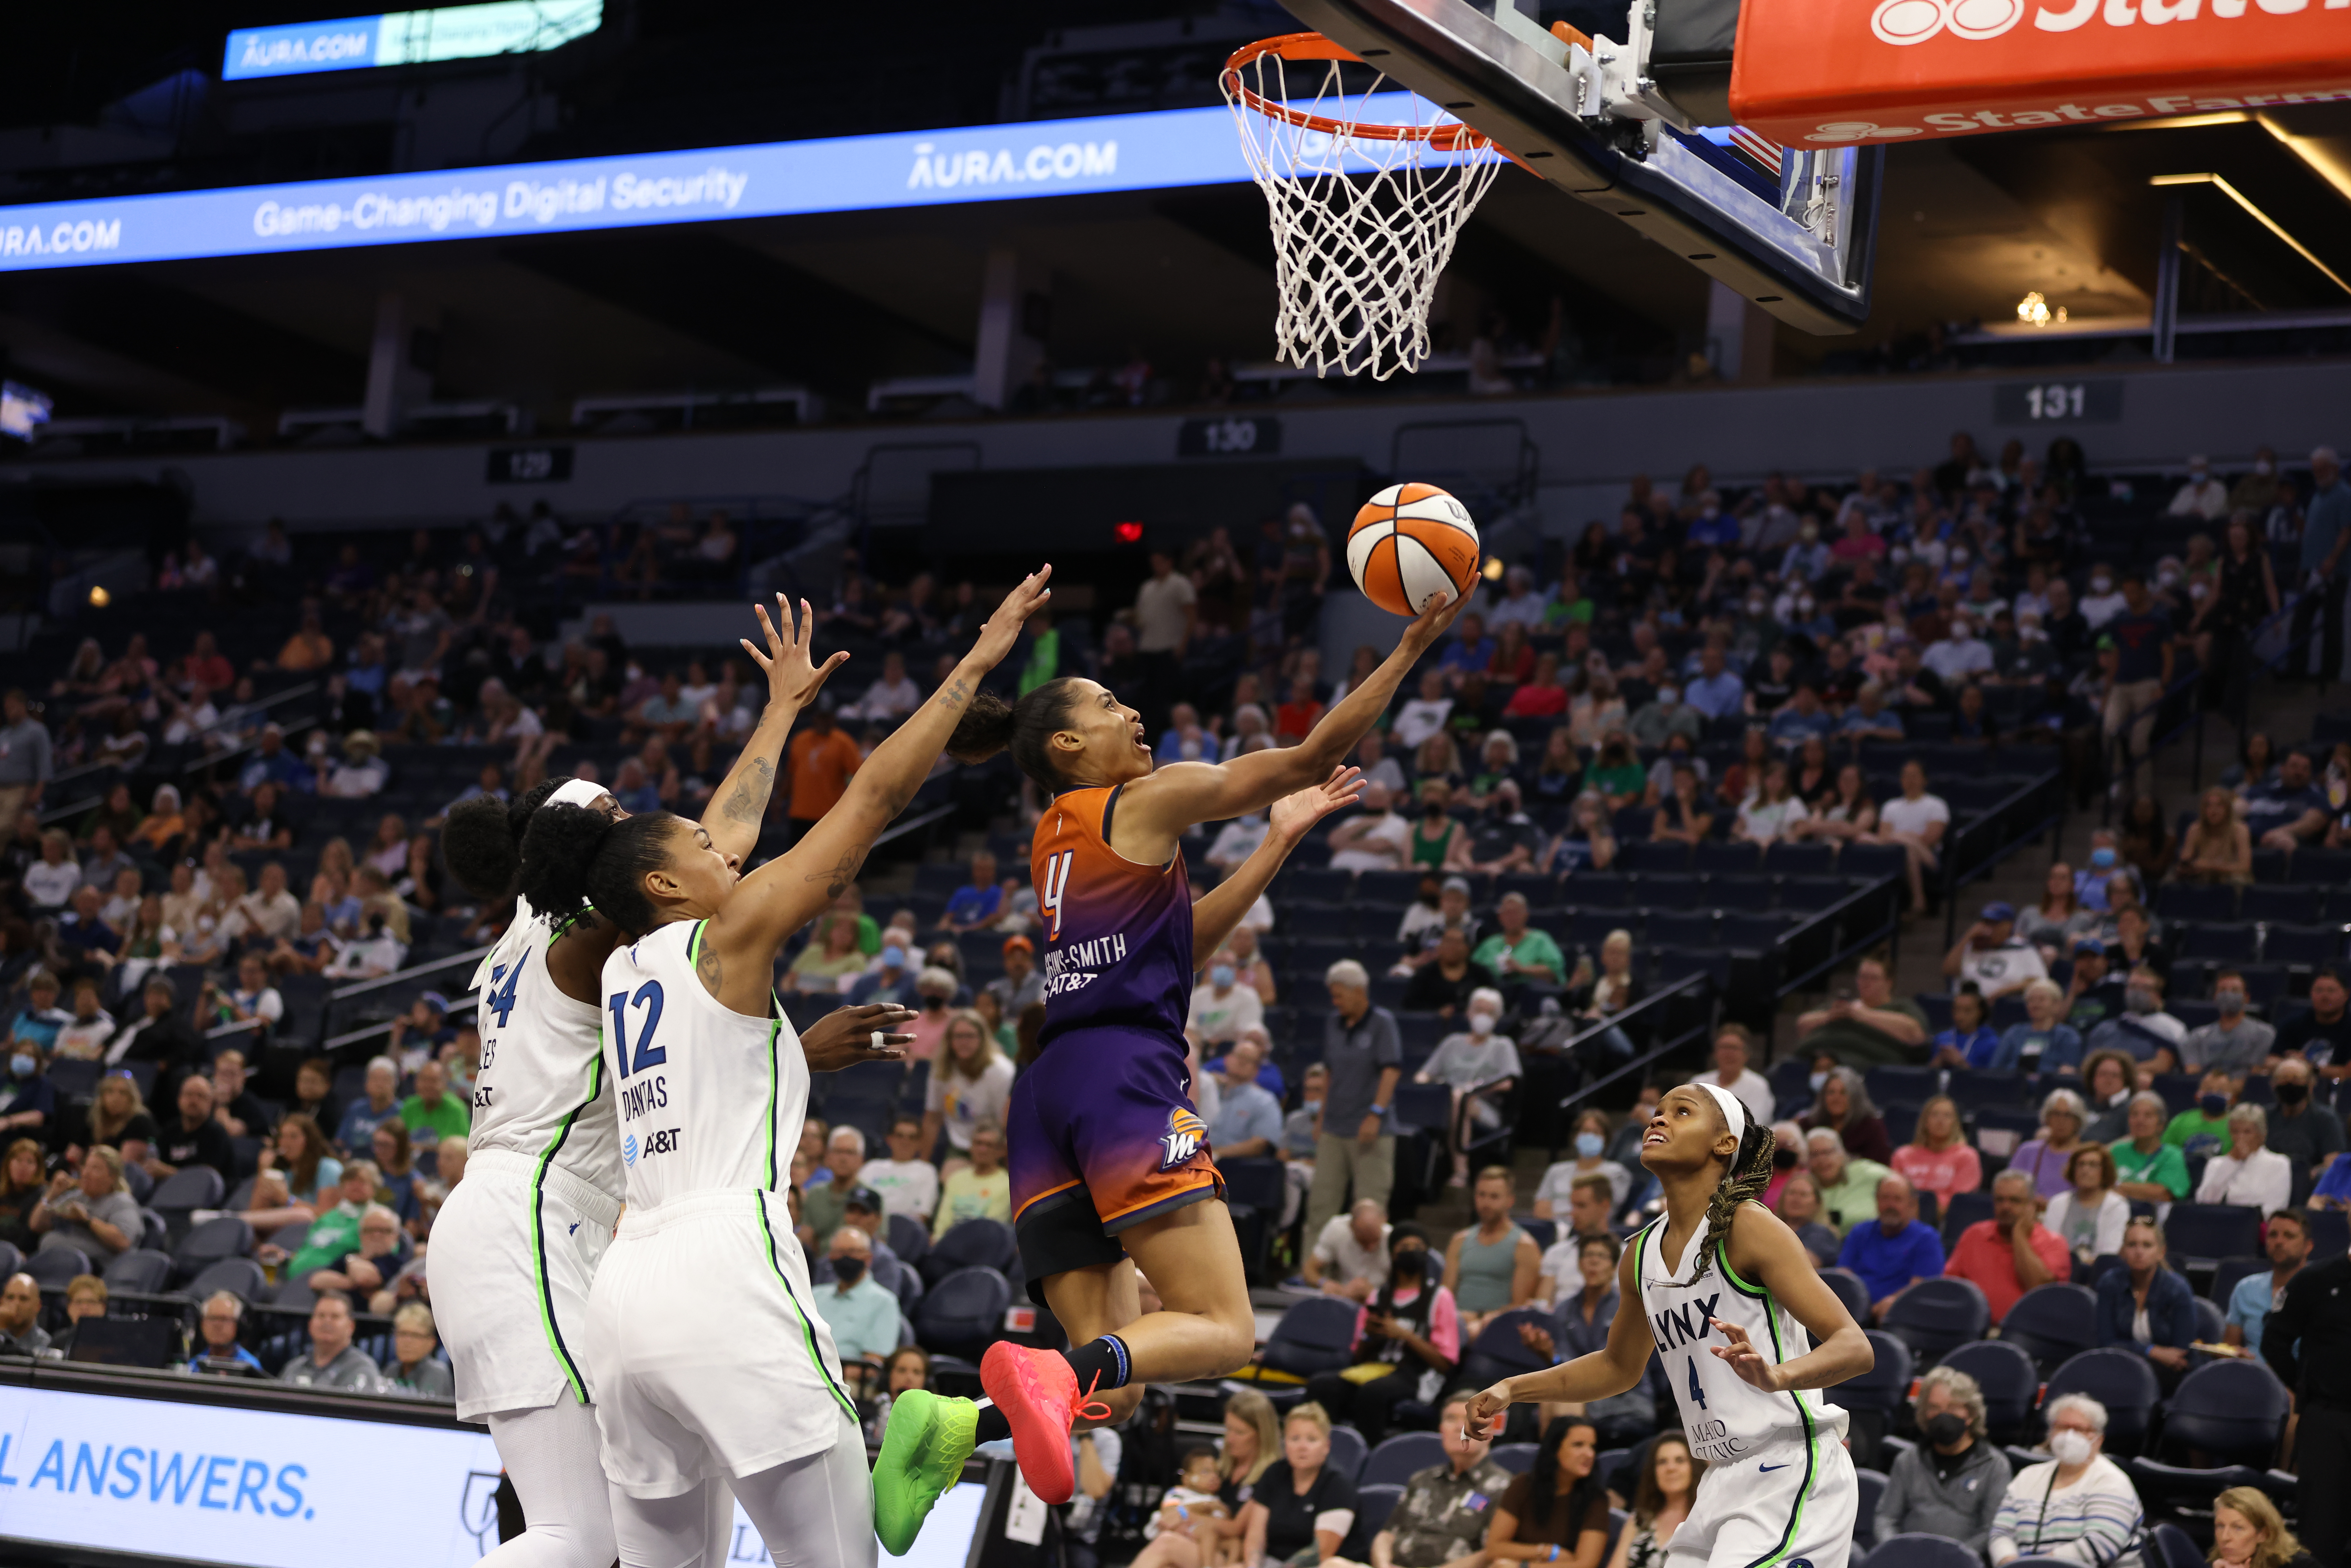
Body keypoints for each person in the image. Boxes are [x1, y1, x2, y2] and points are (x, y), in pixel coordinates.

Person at [510, 577, 1048, 1568]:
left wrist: (781, 710)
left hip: (624, 1300)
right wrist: (975, 663)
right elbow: (873, 798)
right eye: (707, 847)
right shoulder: (729, 933)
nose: (731, 847)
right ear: (671, 884)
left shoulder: (625, 958)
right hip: (726, 1265)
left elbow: (723, 839)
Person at [1465, 1082, 1872, 1568]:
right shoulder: (1638, 1254)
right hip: (1719, 1476)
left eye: (1682, 1112)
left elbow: (1855, 1346)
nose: (1658, 1120)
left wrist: (1778, 1375)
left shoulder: (1750, 1226)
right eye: (1657, 1112)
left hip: (1790, 1467)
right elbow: (1618, 1366)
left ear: (1724, 1143)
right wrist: (1512, 1387)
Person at [1303, 1228, 1459, 1444]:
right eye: (1405, 1248)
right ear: (1393, 1254)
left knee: (1373, 1392)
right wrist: (1368, 1335)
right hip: (1374, 1368)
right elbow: (1357, 1358)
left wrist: (1405, 1335)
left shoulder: (1440, 1298)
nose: (1412, 1252)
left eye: (1418, 1248)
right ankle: (1325, 1446)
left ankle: (1369, 1455)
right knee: (1322, 1385)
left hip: (1415, 1374)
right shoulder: (1378, 1296)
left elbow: (1444, 1364)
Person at [2259, 1241, 2351, 1568]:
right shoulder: (2315, 1279)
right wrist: (2305, 1386)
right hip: (2328, 1421)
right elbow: (2273, 1339)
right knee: (2319, 1536)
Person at [1306, 960, 1405, 1244]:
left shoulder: (1382, 1023)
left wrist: (1375, 1114)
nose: (1334, 1002)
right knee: (1320, 1204)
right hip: (1334, 1127)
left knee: (1369, 1210)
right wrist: (1322, 1117)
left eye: (1339, 995)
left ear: (1359, 991)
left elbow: (1391, 1070)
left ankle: (1369, 1280)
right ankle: (1310, 1272)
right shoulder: (1333, 1023)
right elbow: (1329, 1073)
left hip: (1370, 1130)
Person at [1367, 1391, 1520, 1568]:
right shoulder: (1422, 1479)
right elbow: (1387, 1535)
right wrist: (1384, 1565)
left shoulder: (1507, 1488)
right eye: (1450, 1419)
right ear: (1441, 1430)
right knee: (1335, 1564)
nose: (1459, 1427)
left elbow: (1492, 1553)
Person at [1986, 1394, 2142, 1567]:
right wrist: (2009, 1562)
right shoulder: (2028, 1477)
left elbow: (2102, 1544)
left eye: (2080, 1429)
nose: (2070, 1435)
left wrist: (2037, 1566)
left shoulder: (2112, 1481)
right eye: (2062, 1427)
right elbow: (2001, 1533)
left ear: (2099, 1439)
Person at [1876, 1366, 2011, 1557]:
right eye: (1935, 1408)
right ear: (1924, 1413)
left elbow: (1992, 1529)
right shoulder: (1908, 1460)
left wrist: (1952, 1558)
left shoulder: (1995, 1465)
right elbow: (1886, 1518)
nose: (1943, 1415)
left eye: (1953, 1407)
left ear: (1971, 1415)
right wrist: (1897, 1551)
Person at [1416, 992, 1520, 1187]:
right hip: (1444, 1102)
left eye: (1490, 1013)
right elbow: (1424, 1074)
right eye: (1479, 1010)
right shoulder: (1453, 1042)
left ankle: (1461, 1171)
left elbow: (1508, 1082)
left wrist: (1474, 1090)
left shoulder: (1502, 1046)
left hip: (1482, 1107)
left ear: (1497, 1018)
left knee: (1460, 1099)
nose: (1483, 1016)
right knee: (1450, 1099)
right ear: (1469, 1013)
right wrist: (1423, 1084)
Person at [1237, 1403, 1359, 1568]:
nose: (1302, 1447)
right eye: (1295, 1439)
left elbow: (1321, 1551)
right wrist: (1253, 1566)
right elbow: (1256, 1536)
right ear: (1285, 1443)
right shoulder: (1274, 1473)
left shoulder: (1339, 1485)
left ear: (1327, 1446)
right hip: (1272, 1562)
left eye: (1312, 1440)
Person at [1944, 1168, 2069, 1322]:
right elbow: (1950, 1286)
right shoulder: (1974, 1235)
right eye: (2000, 1200)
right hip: (1970, 1325)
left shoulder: (2054, 1243)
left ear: (2033, 1206)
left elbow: (2041, 1293)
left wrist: (2019, 1236)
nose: (2006, 1207)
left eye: (2015, 1201)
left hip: (2027, 1331)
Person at [1486, 1416, 1610, 1568]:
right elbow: (1494, 1548)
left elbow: (1585, 1565)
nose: (1590, 1454)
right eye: (1578, 1445)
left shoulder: (1596, 1499)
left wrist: (1524, 1567)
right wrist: (1548, 1552)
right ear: (1555, 1449)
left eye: (1593, 1447)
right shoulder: (1524, 1485)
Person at [2092, 1216, 2195, 1384]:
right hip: (2120, 1369)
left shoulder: (2178, 1289)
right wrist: (2152, 1351)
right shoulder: (2109, 1285)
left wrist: (2132, 1350)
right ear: (2123, 1251)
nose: (2139, 1252)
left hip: (2169, 1376)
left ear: (2161, 1252)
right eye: (2132, 1245)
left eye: (2147, 1245)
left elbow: (2180, 1352)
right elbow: (2107, 1343)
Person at [1445, 1167, 1541, 1334]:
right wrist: (1458, 1317)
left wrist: (1481, 1319)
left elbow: (1520, 1306)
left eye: (1494, 1197)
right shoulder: (1459, 1240)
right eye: (1481, 1195)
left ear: (1510, 1201)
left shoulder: (1525, 1246)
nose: (1486, 1203)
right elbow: (1446, 1294)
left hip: (1497, 1327)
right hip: (1457, 1321)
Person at [1836, 1173, 1945, 1322]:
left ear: (1912, 1205)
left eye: (1897, 1199)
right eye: (1885, 1198)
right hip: (1853, 1313)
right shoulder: (1860, 1232)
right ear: (1876, 1201)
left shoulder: (1927, 1238)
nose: (1890, 1205)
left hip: (1899, 1314)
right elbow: (1843, 1274)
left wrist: (1889, 1303)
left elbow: (1920, 1287)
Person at [1795, 956, 1928, 1069]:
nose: (1866, 983)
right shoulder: (1845, 1005)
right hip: (1821, 1060)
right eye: (1863, 977)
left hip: (1865, 1067)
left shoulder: (1901, 1007)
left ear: (1889, 983)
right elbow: (1802, 1025)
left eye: (1874, 978)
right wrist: (1829, 1016)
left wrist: (1862, 1015)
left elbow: (1915, 1034)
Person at [1603, 1433, 1702, 1568]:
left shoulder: (1707, 1519)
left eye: (1680, 1461)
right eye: (1662, 1462)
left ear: (1695, 1467)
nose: (1671, 1468)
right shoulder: (1638, 1519)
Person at [2223, 1206, 2309, 1356]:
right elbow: (2227, 1350)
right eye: (2273, 1235)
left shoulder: (2322, 1291)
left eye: (2289, 1236)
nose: (2279, 1242)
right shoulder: (2246, 1288)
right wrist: (2235, 1355)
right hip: (2251, 1375)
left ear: (2308, 1246)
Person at [29, 1145, 137, 1259]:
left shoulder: (123, 1202)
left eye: (95, 1169)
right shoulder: (79, 1196)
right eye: (86, 1167)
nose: (86, 1174)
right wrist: (52, 1194)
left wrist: (87, 1220)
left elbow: (123, 1243)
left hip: (99, 1268)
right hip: (63, 1262)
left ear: (112, 1177)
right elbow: (36, 1225)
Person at [2196, 1103, 2293, 1216]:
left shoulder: (2279, 1164)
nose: (2240, 1138)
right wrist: (2231, 1162)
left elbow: (2276, 1208)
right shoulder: (2216, 1164)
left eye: (2247, 1132)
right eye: (2235, 1132)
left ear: (2262, 1135)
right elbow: (2204, 1203)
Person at [1893, 1096, 1982, 1213]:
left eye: (1947, 1116)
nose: (1941, 1121)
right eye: (1935, 1115)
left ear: (1955, 1123)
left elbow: (1959, 1202)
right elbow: (1894, 1193)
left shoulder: (1967, 1156)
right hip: (1904, 1216)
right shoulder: (1903, 1155)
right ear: (1925, 1121)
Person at [1943, 903, 2046, 1003]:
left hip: (2006, 1006)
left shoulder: (2022, 948)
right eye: (1986, 923)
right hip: (1969, 1009)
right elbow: (1949, 970)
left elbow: (2038, 981)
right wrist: (1968, 936)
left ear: (2009, 926)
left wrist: (2002, 993)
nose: (1989, 929)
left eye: (1994, 924)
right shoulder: (1971, 947)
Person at [2044, 1146, 2128, 1269]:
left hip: (2098, 1271)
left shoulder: (2117, 1206)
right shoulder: (2058, 1203)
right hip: (2060, 1269)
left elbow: (2110, 1252)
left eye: (2093, 1165)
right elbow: (2048, 1245)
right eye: (2081, 1165)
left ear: (2105, 1171)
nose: (2085, 1170)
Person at [280, 1292, 382, 1391]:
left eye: (335, 1317)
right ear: (310, 1324)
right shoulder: (295, 1367)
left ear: (351, 1326)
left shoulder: (361, 1369)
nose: (327, 1322)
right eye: (321, 1316)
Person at [2262, 1056, 2344, 1179]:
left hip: (2306, 1182)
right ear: (2273, 1084)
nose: (2289, 1084)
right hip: (2268, 1178)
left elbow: (2332, 1162)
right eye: (2284, 1079)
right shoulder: (2264, 1117)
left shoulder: (2326, 1119)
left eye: (2296, 1079)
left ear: (2310, 1085)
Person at [2182, 971, 2276, 1076]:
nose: (2228, 995)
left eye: (2235, 990)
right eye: (2223, 990)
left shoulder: (2264, 1034)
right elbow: (2193, 1074)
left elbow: (2255, 1074)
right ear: (2215, 997)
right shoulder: (2197, 1037)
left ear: (2247, 998)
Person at [2110, 1091, 2192, 1207]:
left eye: (2148, 1116)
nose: (2140, 1121)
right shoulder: (2117, 1151)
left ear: (2161, 1125)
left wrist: (2117, 1187)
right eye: (2134, 1115)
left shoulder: (2172, 1155)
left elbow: (2162, 1193)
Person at [2008, 1087, 2092, 1198]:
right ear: (2047, 1118)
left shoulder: (2087, 1157)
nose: (2061, 1121)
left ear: (2078, 1121)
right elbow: (2009, 1189)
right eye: (2056, 1114)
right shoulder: (2027, 1151)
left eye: (2068, 1115)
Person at [933, 1121, 1013, 1238]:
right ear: (971, 1147)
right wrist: (938, 1239)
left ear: (1001, 1152)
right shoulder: (956, 1179)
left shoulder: (1007, 1184)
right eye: (978, 1144)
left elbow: (990, 1228)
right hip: (948, 1244)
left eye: (989, 1145)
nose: (983, 1150)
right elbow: (943, 1221)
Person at [1808, 1129, 1893, 1237]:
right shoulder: (1806, 1188)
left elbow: (1901, 1185)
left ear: (1842, 1153)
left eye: (1827, 1153)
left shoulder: (1865, 1173)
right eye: (1815, 1155)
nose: (1822, 1160)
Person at [1800, 1067, 1892, 1165]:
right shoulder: (1810, 1124)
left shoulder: (1872, 1127)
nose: (1836, 1099)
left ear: (1855, 1097)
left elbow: (1880, 1167)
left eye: (1843, 1093)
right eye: (1831, 1093)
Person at [1303, 1199, 1392, 1300]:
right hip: (1342, 1299)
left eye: (1375, 1241)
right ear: (1351, 1227)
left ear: (1384, 1222)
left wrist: (1374, 1293)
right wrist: (1324, 1283)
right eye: (1364, 1241)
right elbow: (1309, 1269)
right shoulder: (1337, 1230)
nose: (1370, 1247)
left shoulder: (1392, 1240)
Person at [2208, 1486, 2315, 1568]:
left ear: (2263, 1534)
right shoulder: (2219, 1564)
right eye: (2220, 1526)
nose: (2225, 1538)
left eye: (2238, 1528)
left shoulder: (2302, 1565)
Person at [1691, 1024, 1773, 1125]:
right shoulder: (1699, 1082)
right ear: (1715, 1053)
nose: (1729, 1054)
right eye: (1724, 1048)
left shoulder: (1758, 1086)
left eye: (1734, 1048)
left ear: (1746, 1055)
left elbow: (1753, 1127)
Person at [385, 1302, 457, 1398]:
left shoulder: (437, 1373)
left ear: (431, 1343)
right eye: (402, 1334)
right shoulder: (391, 1370)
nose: (407, 1342)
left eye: (415, 1336)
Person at [187, 1291, 263, 1375]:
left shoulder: (250, 1367)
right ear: (202, 1324)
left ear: (238, 1325)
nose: (217, 1325)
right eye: (212, 1318)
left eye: (224, 1319)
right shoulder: (193, 1365)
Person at [0, 1271, 50, 1356]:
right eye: (10, 1298)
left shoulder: (46, 1344)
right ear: (2, 1302)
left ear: (38, 1306)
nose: (16, 1305)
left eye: (23, 1299)